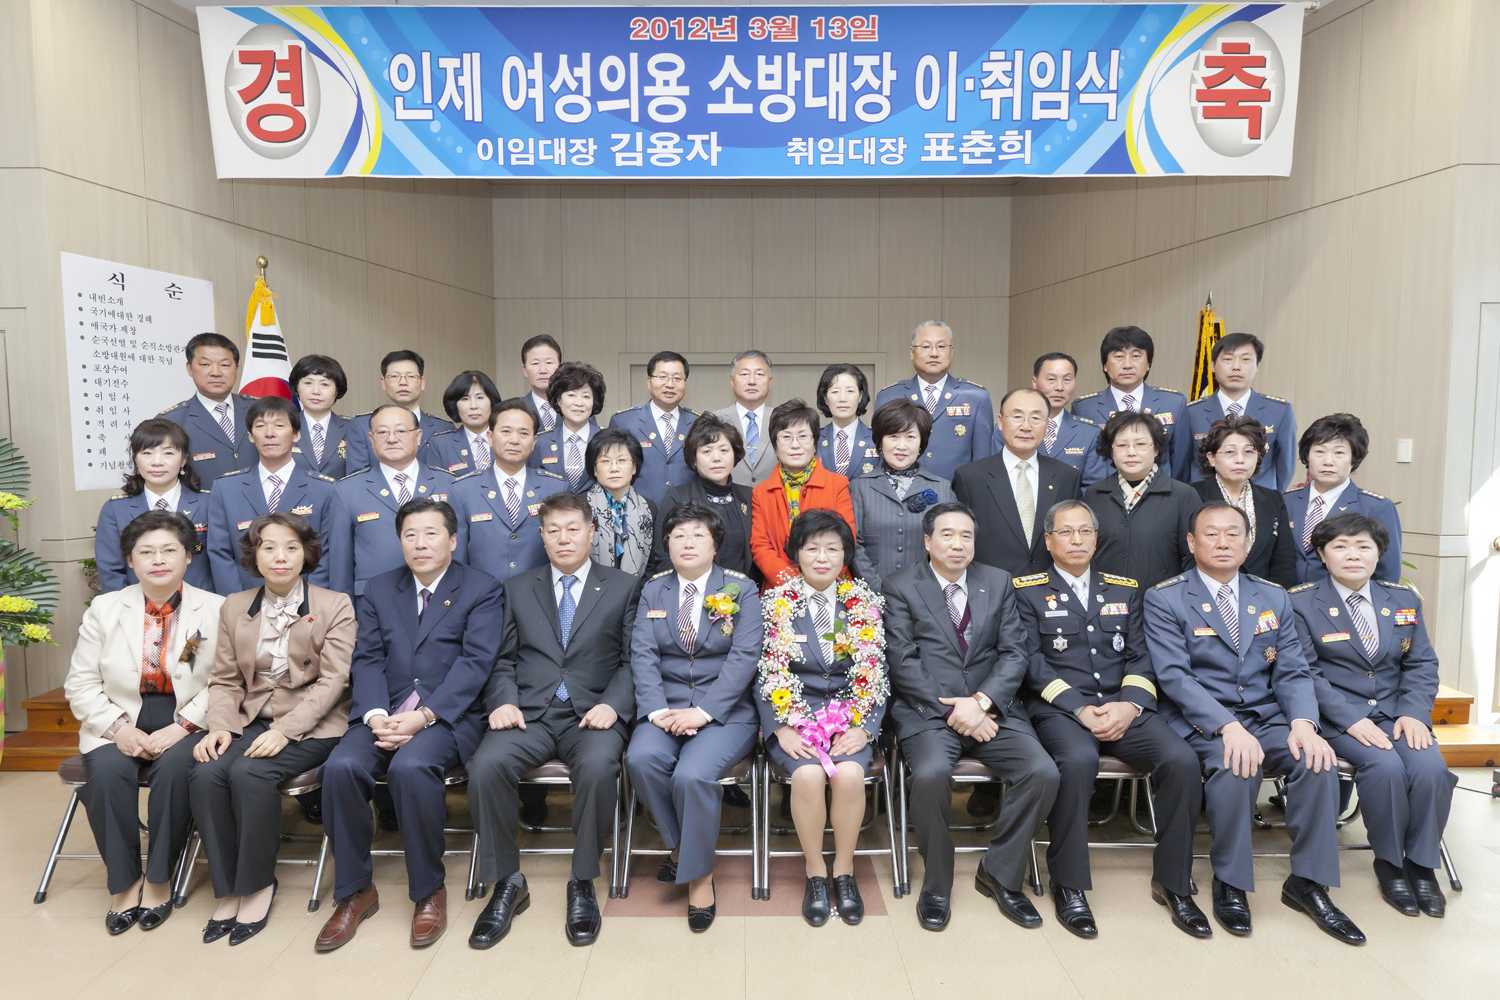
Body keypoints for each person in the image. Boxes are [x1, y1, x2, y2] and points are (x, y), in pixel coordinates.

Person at [1143, 502, 1365, 945]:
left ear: (1248, 544)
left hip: (1267, 716)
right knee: (1236, 765)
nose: (1223, 542)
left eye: (1233, 534)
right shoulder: (1166, 597)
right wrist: (1227, 727)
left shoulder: (1272, 596)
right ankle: (1230, 882)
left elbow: (1293, 670)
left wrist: (1303, 723)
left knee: (1317, 761)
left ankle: (1309, 883)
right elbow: (1174, 677)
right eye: (1211, 534)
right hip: (1205, 721)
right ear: (1192, 543)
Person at [315, 499, 502, 953]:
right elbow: (368, 658)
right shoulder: (380, 589)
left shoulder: (481, 588)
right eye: (410, 535)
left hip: (444, 715)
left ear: (452, 540)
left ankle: (428, 891)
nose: (420, 544)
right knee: (340, 768)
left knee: (411, 768)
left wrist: (424, 716)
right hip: (385, 711)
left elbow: (476, 663)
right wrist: (376, 714)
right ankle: (355, 891)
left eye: (431, 533)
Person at [1016, 500, 1208, 940]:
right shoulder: (1026, 590)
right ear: (1049, 541)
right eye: (1066, 532)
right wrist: (1079, 708)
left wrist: (1129, 705)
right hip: (1061, 709)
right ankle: (1069, 884)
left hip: (1123, 706)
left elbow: (1142, 655)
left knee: (1181, 760)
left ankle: (1174, 882)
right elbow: (1030, 662)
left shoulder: (1125, 589)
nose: (1077, 540)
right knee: (1077, 761)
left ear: (1096, 538)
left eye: (1085, 531)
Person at [465, 492, 639, 949]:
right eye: (554, 531)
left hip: (594, 713)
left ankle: (582, 880)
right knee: (486, 766)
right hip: (530, 713)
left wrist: (614, 704)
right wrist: (503, 701)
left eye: (573, 529)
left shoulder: (623, 586)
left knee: (599, 768)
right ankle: (507, 881)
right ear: (541, 537)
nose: (564, 539)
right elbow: (502, 659)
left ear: (591, 533)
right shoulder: (517, 588)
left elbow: (633, 660)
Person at [883, 502, 1059, 933]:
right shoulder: (901, 586)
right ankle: (937, 882)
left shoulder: (997, 582)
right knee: (929, 776)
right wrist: (954, 709)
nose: (958, 544)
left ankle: (1000, 873)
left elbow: (1015, 653)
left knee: (1042, 772)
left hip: (991, 709)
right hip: (929, 711)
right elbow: (903, 661)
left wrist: (981, 702)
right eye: (947, 535)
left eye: (966, 536)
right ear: (928, 541)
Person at [189, 513, 354, 946]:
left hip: (312, 724)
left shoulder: (334, 604)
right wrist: (219, 726)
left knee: (250, 773)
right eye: (269, 547)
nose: (280, 557)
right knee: (206, 773)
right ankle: (228, 887)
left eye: (291, 548)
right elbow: (225, 679)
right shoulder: (234, 606)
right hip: (249, 719)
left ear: (306, 554)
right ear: (254, 555)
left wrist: (286, 730)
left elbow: (334, 680)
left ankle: (259, 883)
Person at [63, 511, 223, 934]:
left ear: (188, 556)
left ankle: (158, 880)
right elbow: (80, 682)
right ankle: (124, 884)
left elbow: (224, 682)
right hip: (119, 714)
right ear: (130, 560)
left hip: (186, 715)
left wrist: (183, 726)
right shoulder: (105, 609)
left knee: (174, 771)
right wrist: (119, 728)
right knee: (107, 773)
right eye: (146, 552)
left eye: (169, 550)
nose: (158, 560)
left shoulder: (213, 610)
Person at [1291, 512, 1455, 918]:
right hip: (1340, 719)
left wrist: (1414, 713)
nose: (1353, 555)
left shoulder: (1402, 599)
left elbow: (1421, 663)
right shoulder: (1301, 602)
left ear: (1379, 553)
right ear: (1322, 555)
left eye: (1363, 546)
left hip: (1398, 714)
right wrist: (1349, 719)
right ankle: (1390, 863)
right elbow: (1305, 673)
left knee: (1431, 769)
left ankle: (1422, 866)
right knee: (1385, 768)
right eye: (1340, 547)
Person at [627, 505, 761, 931]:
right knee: (641, 759)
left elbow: (744, 657)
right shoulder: (654, 589)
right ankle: (683, 850)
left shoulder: (741, 589)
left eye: (698, 535)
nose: (687, 543)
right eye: (679, 536)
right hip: (664, 708)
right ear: (667, 544)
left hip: (725, 713)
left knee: (691, 776)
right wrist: (656, 710)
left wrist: (703, 712)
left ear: (715, 545)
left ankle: (699, 878)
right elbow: (643, 653)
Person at [755, 510, 888, 927]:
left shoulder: (863, 603)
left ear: (845, 555)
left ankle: (844, 872)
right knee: (809, 776)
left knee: (848, 775)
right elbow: (760, 672)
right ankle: (815, 872)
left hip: (850, 717)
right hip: (794, 719)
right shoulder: (774, 604)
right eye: (812, 548)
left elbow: (878, 671)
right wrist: (780, 726)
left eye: (832, 549)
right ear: (796, 553)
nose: (822, 557)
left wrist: (865, 728)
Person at [205, 396, 338, 595]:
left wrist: (310, 600)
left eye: (279, 425)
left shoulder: (324, 489)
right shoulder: (226, 488)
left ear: (296, 434)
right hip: (245, 600)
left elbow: (328, 553)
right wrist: (238, 602)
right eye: (260, 426)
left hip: (306, 601)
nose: (269, 433)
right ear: (251, 436)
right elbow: (219, 553)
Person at [328, 404, 462, 597]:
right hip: (373, 601)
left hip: (440, 597)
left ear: (418, 436)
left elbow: (460, 550)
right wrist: (343, 610)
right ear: (371, 439)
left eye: (400, 431)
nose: (391, 439)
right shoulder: (347, 490)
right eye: (382, 432)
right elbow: (340, 563)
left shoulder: (450, 484)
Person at [953, 388, 1081, 576]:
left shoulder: (1066, 476)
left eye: (1036, 418)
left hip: (1051, 586)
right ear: (1000, 422)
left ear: (1047, 425)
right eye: (1017, 416)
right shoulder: (970, 477)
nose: (1026, 426)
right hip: (991, 585)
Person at [451, 399, 568, 581]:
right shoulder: (463, 490)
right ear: (490, 437)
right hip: (483, 594)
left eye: (523, 433)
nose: (514, 440)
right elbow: (457, 557)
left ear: (534, 441)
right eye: (506, 431)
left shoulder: (555, 488)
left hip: (540, 592)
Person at [1084, 411, 1202, 589]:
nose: (1131, 452)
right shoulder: (1094, 495)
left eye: (1140, 444)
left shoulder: (1183, 496)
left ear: (1156, 449)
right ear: (1111, 450)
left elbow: (1193, 559)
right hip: (1105, 600)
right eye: (1122, 445)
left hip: (1162, 601)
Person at [95, 418, 212, 593]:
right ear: (135, 459)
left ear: (183, 460)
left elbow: (220, 559)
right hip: (137, 605)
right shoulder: (115, 510)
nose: (157, 462)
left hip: (201, 603)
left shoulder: (208, 503)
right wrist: (130, 607)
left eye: (168, 453)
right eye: (147, 453)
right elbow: (110, 572)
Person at [873, 321, 1000, 481]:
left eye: (941, 346)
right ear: (912, 353)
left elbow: (983, 459)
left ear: (951, 352)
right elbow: (880, 454)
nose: (934, 353)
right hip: (901, 490)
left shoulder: (976, 397)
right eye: (926, 346)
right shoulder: (889, 396)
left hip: (956, 492)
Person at [848, 399, 953, 592]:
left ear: (921, 443)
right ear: (880, 441)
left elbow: (949, 545)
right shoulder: (860, 487)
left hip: (927, 595)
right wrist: (877, 589)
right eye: (893, 436)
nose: (901, 446)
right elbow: (854, 545)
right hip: (872, 596)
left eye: (910, 437)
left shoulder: (942, 488)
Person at [1284, 413, 1402, 585]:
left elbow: (1387, 575)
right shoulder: (1286, 501)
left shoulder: (1376, 508)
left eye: (1339, 453)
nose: (1328, 461)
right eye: (1319, 452)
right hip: (1287, 598)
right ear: (1307, 456)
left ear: (1354, 459)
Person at [749, 399, 856, 585]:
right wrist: (790, 583)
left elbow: (846, 539)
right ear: (775, 445)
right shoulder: (761, 492)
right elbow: (761, 545)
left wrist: (819, 579)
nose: (795, 445)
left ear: (814, 442)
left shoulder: (837, 485)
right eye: (786, 437)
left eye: (803, 436)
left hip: (831, 583)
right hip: (780, 588)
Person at [1071, 326, 1191, 480]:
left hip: (1160, 490)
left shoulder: (1174, 403)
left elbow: (1181, 462)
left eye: (1136, 356)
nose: (1127, 365)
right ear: (1105, 365)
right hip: (1103, 491)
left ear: (1148, 364)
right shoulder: (1084, 408)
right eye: (1119, 356)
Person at [1192, 416, 1297, 587]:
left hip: (1263, 596)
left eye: (1249, 452)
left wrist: (1276, 597)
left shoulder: (1272, 499)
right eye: (1230, 452)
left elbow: (1284, 561)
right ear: (1211, 458)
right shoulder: (1192, 495)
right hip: (1204, 593)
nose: (1240, 460)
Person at [1185, 333, 1298, 491]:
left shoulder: (1279, 411)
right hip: (1204, 499)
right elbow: (1182, 465)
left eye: (1245, 359)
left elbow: (1286, 467)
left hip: (1260, 498)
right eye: (1228, 359)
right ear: (1212, 366)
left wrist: (1272, 498)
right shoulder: (1191, 412)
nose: (1236, 367)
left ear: (1257, 366)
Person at [650, 414, 755, 579]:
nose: (716, 458)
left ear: (735, 455)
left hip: (746, 589)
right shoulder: (678, 497)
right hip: (693, 590)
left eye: (724, 450)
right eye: (707, 451)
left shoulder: (749, 496)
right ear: (694, 459)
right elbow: (663, 556)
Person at [159, 332, 255, 483]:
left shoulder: (261, 410)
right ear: (189, 368)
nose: (216, 373)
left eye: (225, 365)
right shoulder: (171, 421)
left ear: (236, 368)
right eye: (205, 364)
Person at [608, 350, 697, 507]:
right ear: (649, 382)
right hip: (638, 511)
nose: (670, 384)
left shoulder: (697, 422)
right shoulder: (624, 421)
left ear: (685, 383)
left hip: (687, 513)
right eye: (662, 377)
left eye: (677, 378)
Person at [341, 350, 452, 473]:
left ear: (422, 383)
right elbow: (357, 477)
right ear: (383, 383)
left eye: (411, 376)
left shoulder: (443, 429)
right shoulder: (361, 426)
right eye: (394, 376)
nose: (403, 382)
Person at [584, 428, 657, 577]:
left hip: (637, 588)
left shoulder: (649, 508)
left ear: (634, 467)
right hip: (590, 587)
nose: (614, 468)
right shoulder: (579, 507)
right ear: (595, 469)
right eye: (605, 461)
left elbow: (654, 562)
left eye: (622, 461)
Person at [1029, 351, 1109, 487]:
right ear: (1035, 383)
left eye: (1067, 380)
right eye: (1051, 379)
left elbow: (1094, 487)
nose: (1059, 387)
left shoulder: (1090, 433)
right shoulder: (1011, 428)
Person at [531, 361, 605, 492]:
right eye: (571, 395)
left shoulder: (606, 440)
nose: (579, 403)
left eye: (586, 396)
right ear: (558, 400)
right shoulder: (541, 443)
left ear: (594, 402)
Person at [716, 349, 776, 487]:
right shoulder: (716, 420)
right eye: (744, 374)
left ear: (770, 381)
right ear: (732, 381)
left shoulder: (783, 420)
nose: (752, 381)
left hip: (774, 499)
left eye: (759, 374)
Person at [289, 354, 353, 480]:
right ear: (297, 387)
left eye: (324, 384)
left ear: (337, 390)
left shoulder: (353, 428)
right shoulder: (284, 427)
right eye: (308, 383)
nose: (316, 391)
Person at [428, 370, 503, 476]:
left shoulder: (507, 438)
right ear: (455, 405)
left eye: (480, 397)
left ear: (492, 401)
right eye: (465, 399)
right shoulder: (441, 444)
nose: (473, 406)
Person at [815, 363, 877, 481]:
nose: (842, 399)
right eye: (835, 392)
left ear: (860, 396)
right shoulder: (814, 439)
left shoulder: (876, 438)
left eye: (850, 391)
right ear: (825, 398)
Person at [517, 334, 563, 432]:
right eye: (535, 363)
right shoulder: (515, 409)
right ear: (524, 370)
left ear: (560, 368)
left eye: (549, 362)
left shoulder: (578, 407)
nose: (543, 370)